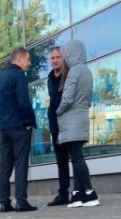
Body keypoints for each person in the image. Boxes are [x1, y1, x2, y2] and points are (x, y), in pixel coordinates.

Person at [57, 40, 98, 208]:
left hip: (72, 120)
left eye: (65, 55)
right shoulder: (87, 71)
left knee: (77, 158)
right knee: (76, 158)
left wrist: (57, 111)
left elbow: (67, 98)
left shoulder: (74, 72)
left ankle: (90, 192)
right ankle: (78, 194)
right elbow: (87, 99)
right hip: (81, 118)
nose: (64, 59)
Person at [0, 47, 38, 213]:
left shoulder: (0, 77)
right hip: (19, 127)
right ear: (19, 59)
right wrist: (29, 122)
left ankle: (4, 203)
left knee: (5, 166)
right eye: (28, 59)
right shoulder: (19, 76)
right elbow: (24, 102)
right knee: (21, 165)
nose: (29, 63)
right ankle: (21, 201)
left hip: (4, 128)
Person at [46, 47, 71, 206]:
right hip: (55, 126)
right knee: (61, 161)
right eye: (52, 58)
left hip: (68, 125)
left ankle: (82, 191)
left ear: (64, 59)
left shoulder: (69, 76)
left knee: (75, 159)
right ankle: (63, 194)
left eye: (58, 57)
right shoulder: (50, 78)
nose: (55, 60)